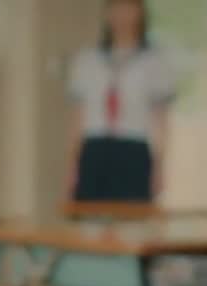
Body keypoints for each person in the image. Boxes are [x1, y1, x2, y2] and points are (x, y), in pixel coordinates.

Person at [66, 0, 178, 204]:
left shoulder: (155, 62)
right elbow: (77, 118)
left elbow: (161, 121)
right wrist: (73, 165)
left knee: (132, 219)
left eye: (128, 7)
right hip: (94, 150)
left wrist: (159, 167)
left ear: (140, 12)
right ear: (107, 12)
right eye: (116, 7)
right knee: (90, 218)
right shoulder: (87, 60)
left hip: (133, 150)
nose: (122, 15)